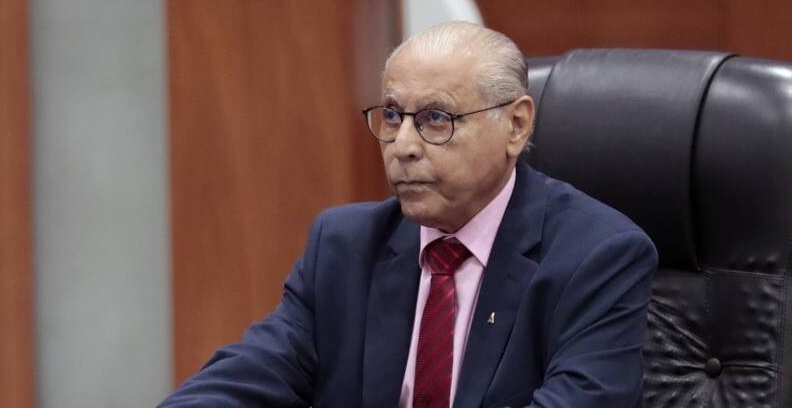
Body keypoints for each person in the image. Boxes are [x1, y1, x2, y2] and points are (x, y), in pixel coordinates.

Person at [158, 21, 658, 408]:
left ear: (515, 125)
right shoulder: (345, 246)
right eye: (393, 116)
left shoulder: (598, 257)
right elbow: (247, 377)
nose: (403, 146)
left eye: (436, 118)